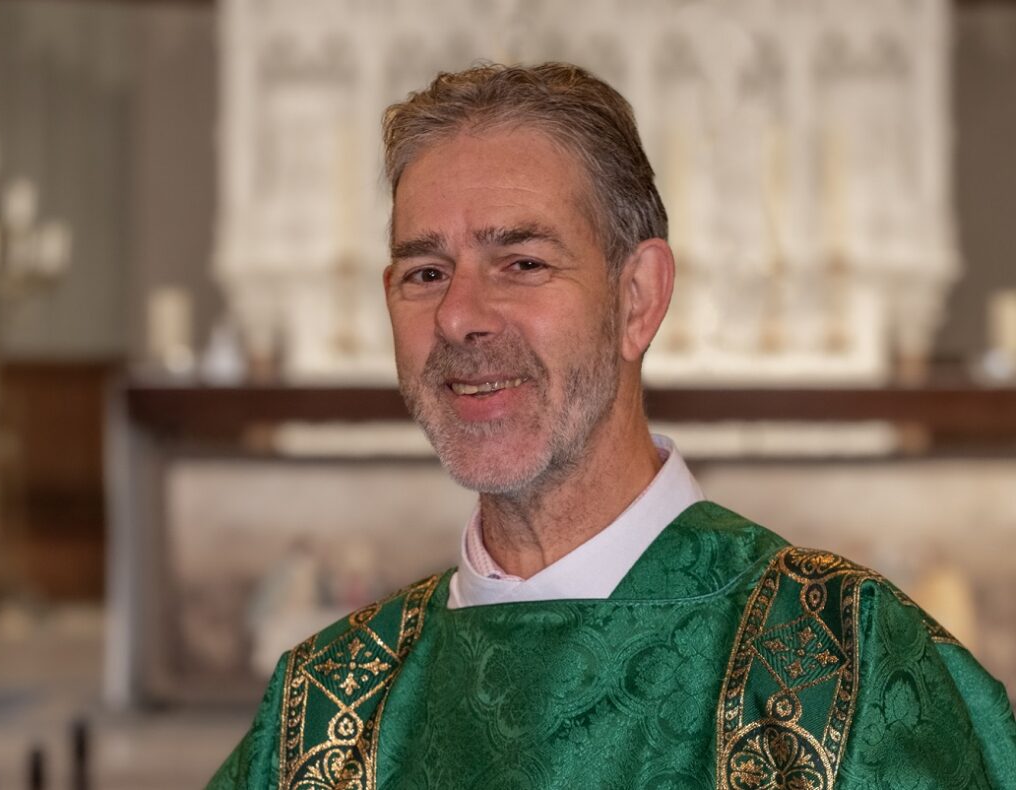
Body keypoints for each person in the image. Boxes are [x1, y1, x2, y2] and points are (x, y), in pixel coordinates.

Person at [207, 62, 1016, 789]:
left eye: (522, 263)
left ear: (638, 298)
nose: (458, 316)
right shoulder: (327, 707)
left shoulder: (843, 667)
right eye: (426, 272)